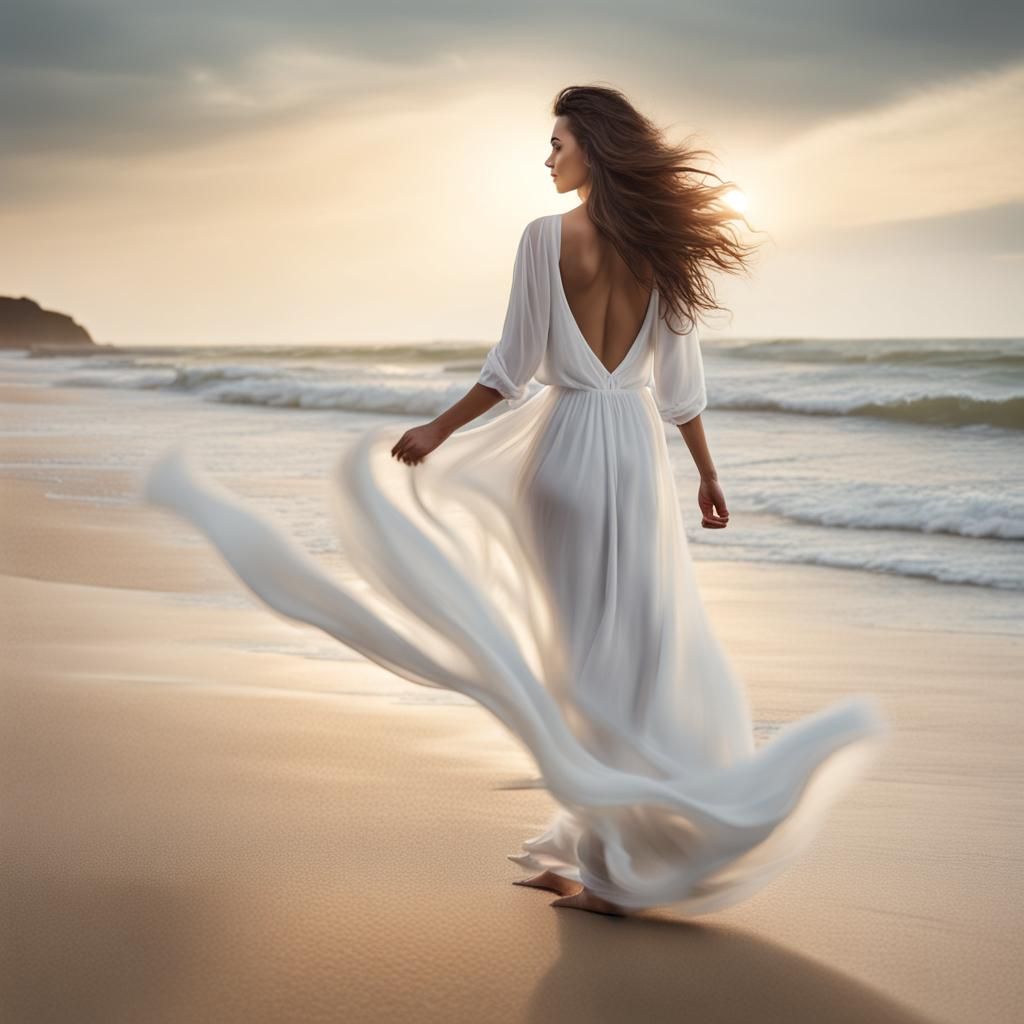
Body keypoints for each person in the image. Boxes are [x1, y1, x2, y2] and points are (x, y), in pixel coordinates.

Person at [141, 85, 889, 918]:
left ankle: (591, 859)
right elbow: (680, 390)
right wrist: (708, 474)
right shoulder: (662, 252)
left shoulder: (544, 239)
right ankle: (594, 851)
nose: (548, 158)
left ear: (593, 151)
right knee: (627, 656)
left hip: (563, 452)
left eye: (558, 143)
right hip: (636, 457)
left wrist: (438, 428)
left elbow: (511, 367)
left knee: (579, 659)